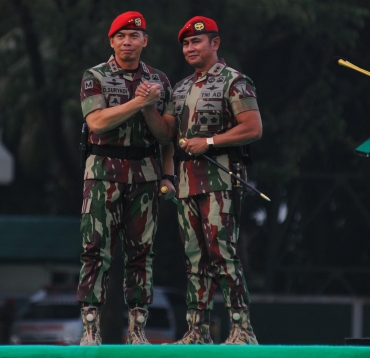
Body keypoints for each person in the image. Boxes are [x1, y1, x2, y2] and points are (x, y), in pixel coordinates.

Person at [136, 16, 262, 344]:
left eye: (197, 42)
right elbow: (166, 132)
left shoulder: (234, 82)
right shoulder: (180, 88)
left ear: (215, 44)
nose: (190, 48)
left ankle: (242, 328)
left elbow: (252, 128)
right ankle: (197, 332)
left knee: (222, 252)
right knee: (195, 258)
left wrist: (208, 142)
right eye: (186, 44)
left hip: (221, 178)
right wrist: (148, 108)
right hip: (187, 182)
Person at [77, 11, 175, 346]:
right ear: (111, 41)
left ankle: (137, 329)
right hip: (103, 173)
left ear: (145, 41)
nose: (127, 42)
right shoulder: (96, 76)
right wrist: (138, 101)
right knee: (95, 250)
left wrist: (149, 107)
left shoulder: (159, 80)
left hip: (145, 176)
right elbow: (98, 122)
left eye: (134, 36)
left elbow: (166, 136)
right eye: (121, 36)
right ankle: (90, 328)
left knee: (141, 253)